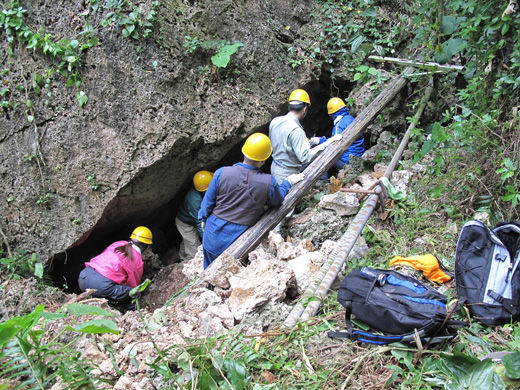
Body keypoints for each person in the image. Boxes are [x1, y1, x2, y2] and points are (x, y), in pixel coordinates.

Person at [198, 133, 304, 269]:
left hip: (211, 236)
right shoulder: (268, 182)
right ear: (264, 160)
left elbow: (207, 203)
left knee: (209, 273)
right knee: (235, 275)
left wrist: (203, 218)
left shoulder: (221, 173)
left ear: (244, 152)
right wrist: (288, 182)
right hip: (238, 240)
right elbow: (277, 199)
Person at [269, 89, 341, 185]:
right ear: (304, 109)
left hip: (275, 167)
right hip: (288, 173)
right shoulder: (296, 130)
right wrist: (327, 143)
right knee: (286, 198)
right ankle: (322, 184)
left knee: (277, 195)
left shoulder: (275, 121)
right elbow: (305, 157)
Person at [78, 226, 152, 311]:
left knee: (113, 288)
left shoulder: (118, 243)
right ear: (144, 246)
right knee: (135, 294)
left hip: (84, 277)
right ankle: (130, 315)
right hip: (100, 286)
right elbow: (133, 285)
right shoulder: (137, 260)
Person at [310, 97, 365, 173]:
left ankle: (323, 180)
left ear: (331, 115)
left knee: (321, 153)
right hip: (359, 156)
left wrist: (320, 141)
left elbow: (334, 145)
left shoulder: (339, 126)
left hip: (347, 161)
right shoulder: (351, 119)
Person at [175, 170, 213, 261]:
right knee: (194, 247)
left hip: (189, 219)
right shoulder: (194, 200)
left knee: (187, 241)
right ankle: (189, 264)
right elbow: (199, 221)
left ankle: (181, 257)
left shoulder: (202, 190)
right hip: (185, 223)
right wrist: (207, 239)